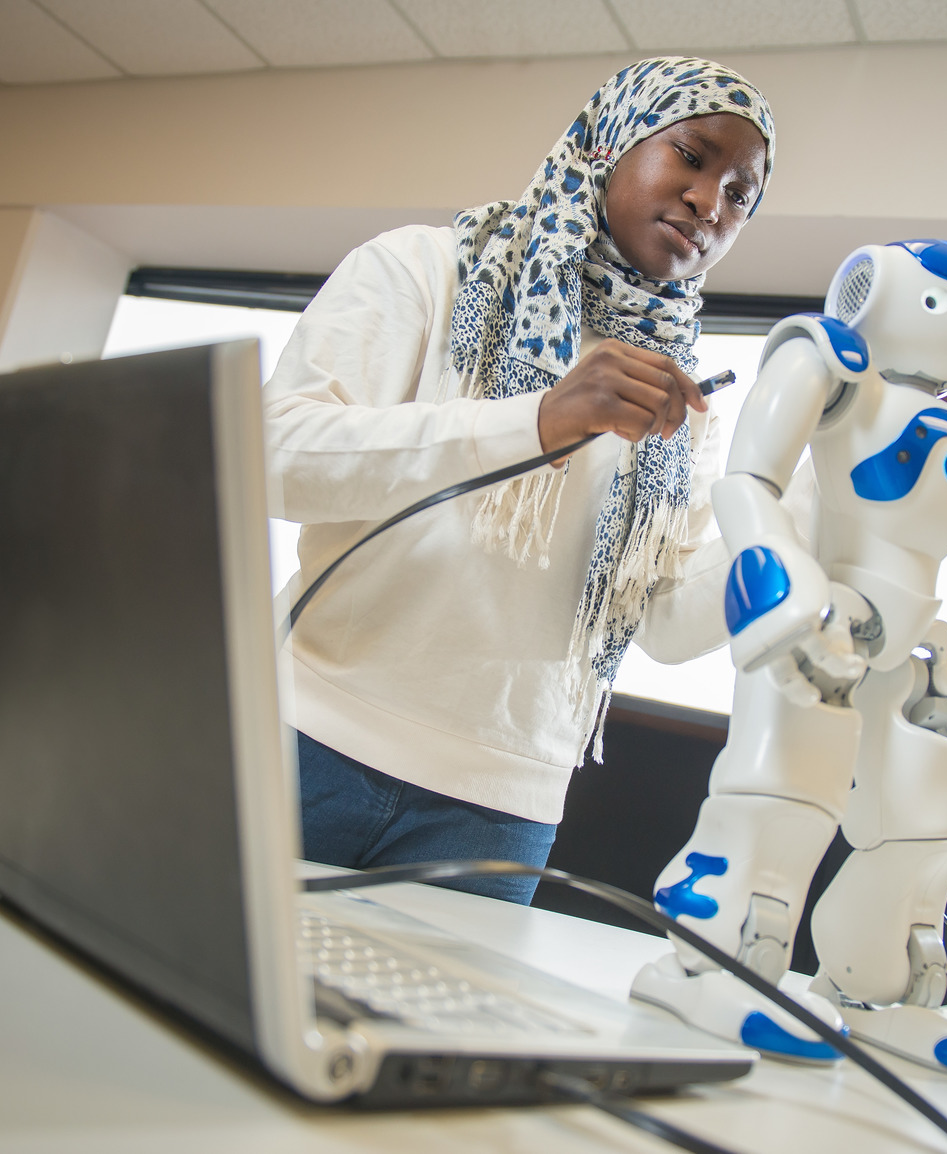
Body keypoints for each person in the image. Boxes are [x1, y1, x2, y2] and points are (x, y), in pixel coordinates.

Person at [263, 58, 775, 903]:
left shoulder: (683, 403)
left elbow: (669, 626)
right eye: (690, 154)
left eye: (740, 194)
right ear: (612, 138)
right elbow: (274, 462)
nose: (709, 202)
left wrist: (805, 522)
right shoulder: (426, 268)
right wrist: (535, 421)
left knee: (425, 1041)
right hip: (304, 731)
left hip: (500, 808)